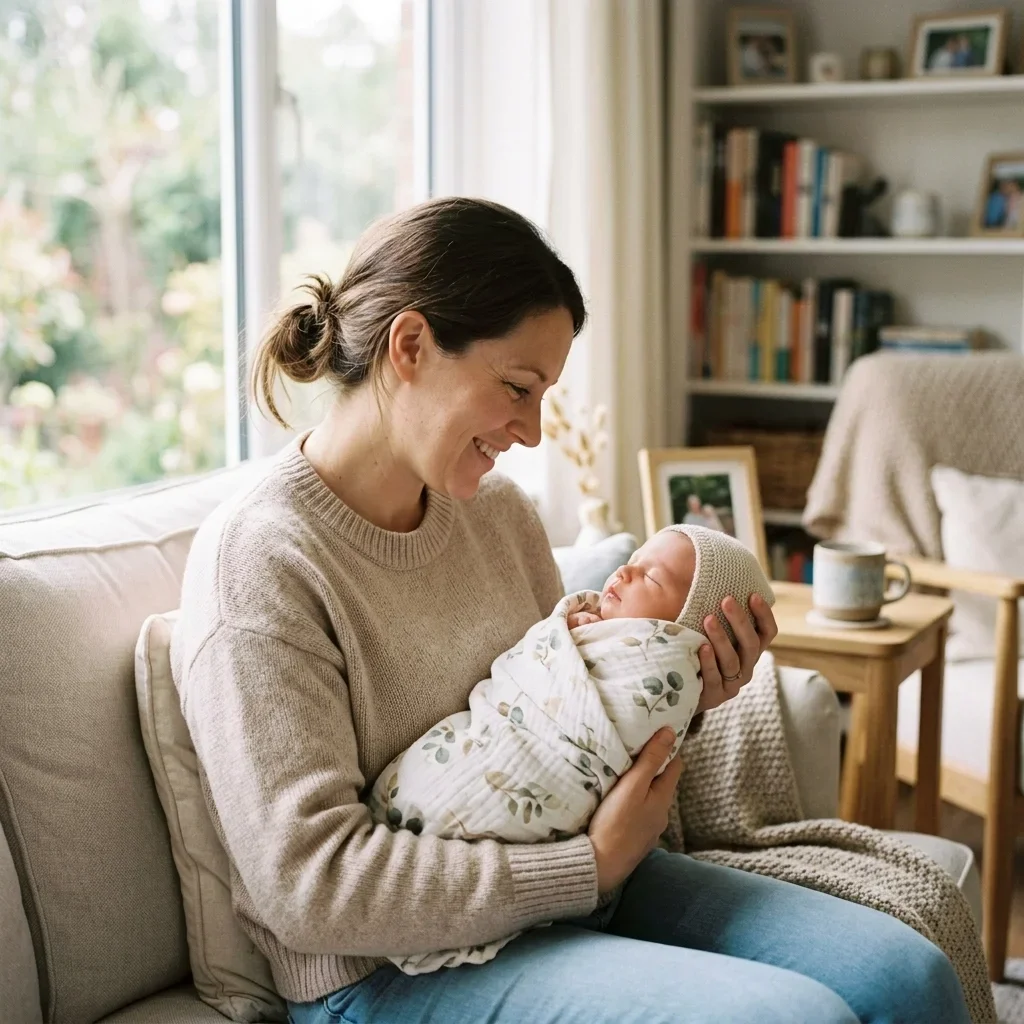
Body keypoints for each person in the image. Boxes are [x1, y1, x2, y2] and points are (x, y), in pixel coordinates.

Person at [173, 197, 969, 1024]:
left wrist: (684, 696)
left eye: (543, 393)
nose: (532, 430)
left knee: (909, 972)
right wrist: (586, 868)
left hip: (579, 888)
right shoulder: (262, 562)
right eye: (517, 387)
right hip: (385, 971)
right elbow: (310, 885)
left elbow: (570, 723)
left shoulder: (496, 514)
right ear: (409, 346)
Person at [369, 525, 773, 975]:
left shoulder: (504, 512)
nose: (624, 570)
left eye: (652, 577)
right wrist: (596, 863)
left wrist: (689, 696)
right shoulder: (285, 560)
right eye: (634, 560)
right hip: (405, 924)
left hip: (611, 874)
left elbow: (613, 700)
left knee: (867, 974)